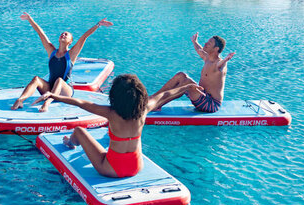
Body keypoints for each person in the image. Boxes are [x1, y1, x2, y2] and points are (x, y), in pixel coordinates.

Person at [40, 74, 201, 178]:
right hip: (136, 167)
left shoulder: (111, 113)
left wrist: (54, 95)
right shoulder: (143, 110)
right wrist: (186, 87)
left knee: (79, 131)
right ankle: (73, 142)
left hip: (111, 169)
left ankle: (70, 143)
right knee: (106, 148)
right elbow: (164, 95)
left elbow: (82, 103)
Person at [11, 12, 112, 112]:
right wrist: (30, 19)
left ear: (70, 42)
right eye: (62, 34)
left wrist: (98, 25)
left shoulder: (71, 54)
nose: (63, 34)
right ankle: (20, 100)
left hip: (65, 91)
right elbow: (40, 33)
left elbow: (84, 37)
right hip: (50, 88)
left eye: (66, 34)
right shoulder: (51, 51)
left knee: (59, 80)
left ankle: (47, 103)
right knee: (36, 79)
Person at [150, 33, 235, 113]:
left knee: (187, 84)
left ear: (216, 49)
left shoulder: (219, 64)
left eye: (210, 43)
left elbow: (221, 64)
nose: (206, 43)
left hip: (211, 104)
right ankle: (152, 99)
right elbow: (199, 50)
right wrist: (195, 42)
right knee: (181, 75)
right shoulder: (207, 59)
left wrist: (226, 59)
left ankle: (158, 105)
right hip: (201, 96)